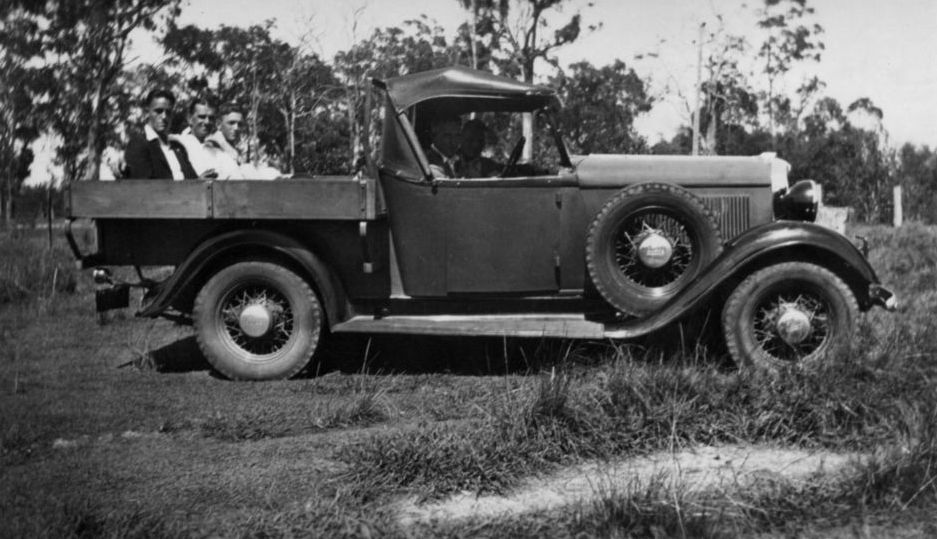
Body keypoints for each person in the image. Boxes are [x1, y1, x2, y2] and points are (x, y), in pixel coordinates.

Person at [124, 89, 199, 180]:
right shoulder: (138, 144)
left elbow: (193, 181)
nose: (164, 116)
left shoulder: (178, 147)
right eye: (158, 111)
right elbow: (144, 185)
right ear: (147, 112)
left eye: (168, 112)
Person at [204, 105, 281, 180]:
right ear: (218, 125)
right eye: (231, 123)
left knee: (270, 172)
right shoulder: (211, 146)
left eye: (239, 124)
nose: (236, 128)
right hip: (223, 185)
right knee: (246, 169)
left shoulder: (231, 148)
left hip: (237, 184)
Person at [172, 98, 218, 178]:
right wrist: (197, 182)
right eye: (202, 117)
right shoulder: (177, 143)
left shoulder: (215, 148)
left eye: (211, 118)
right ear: (189, 118)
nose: (207, 122)